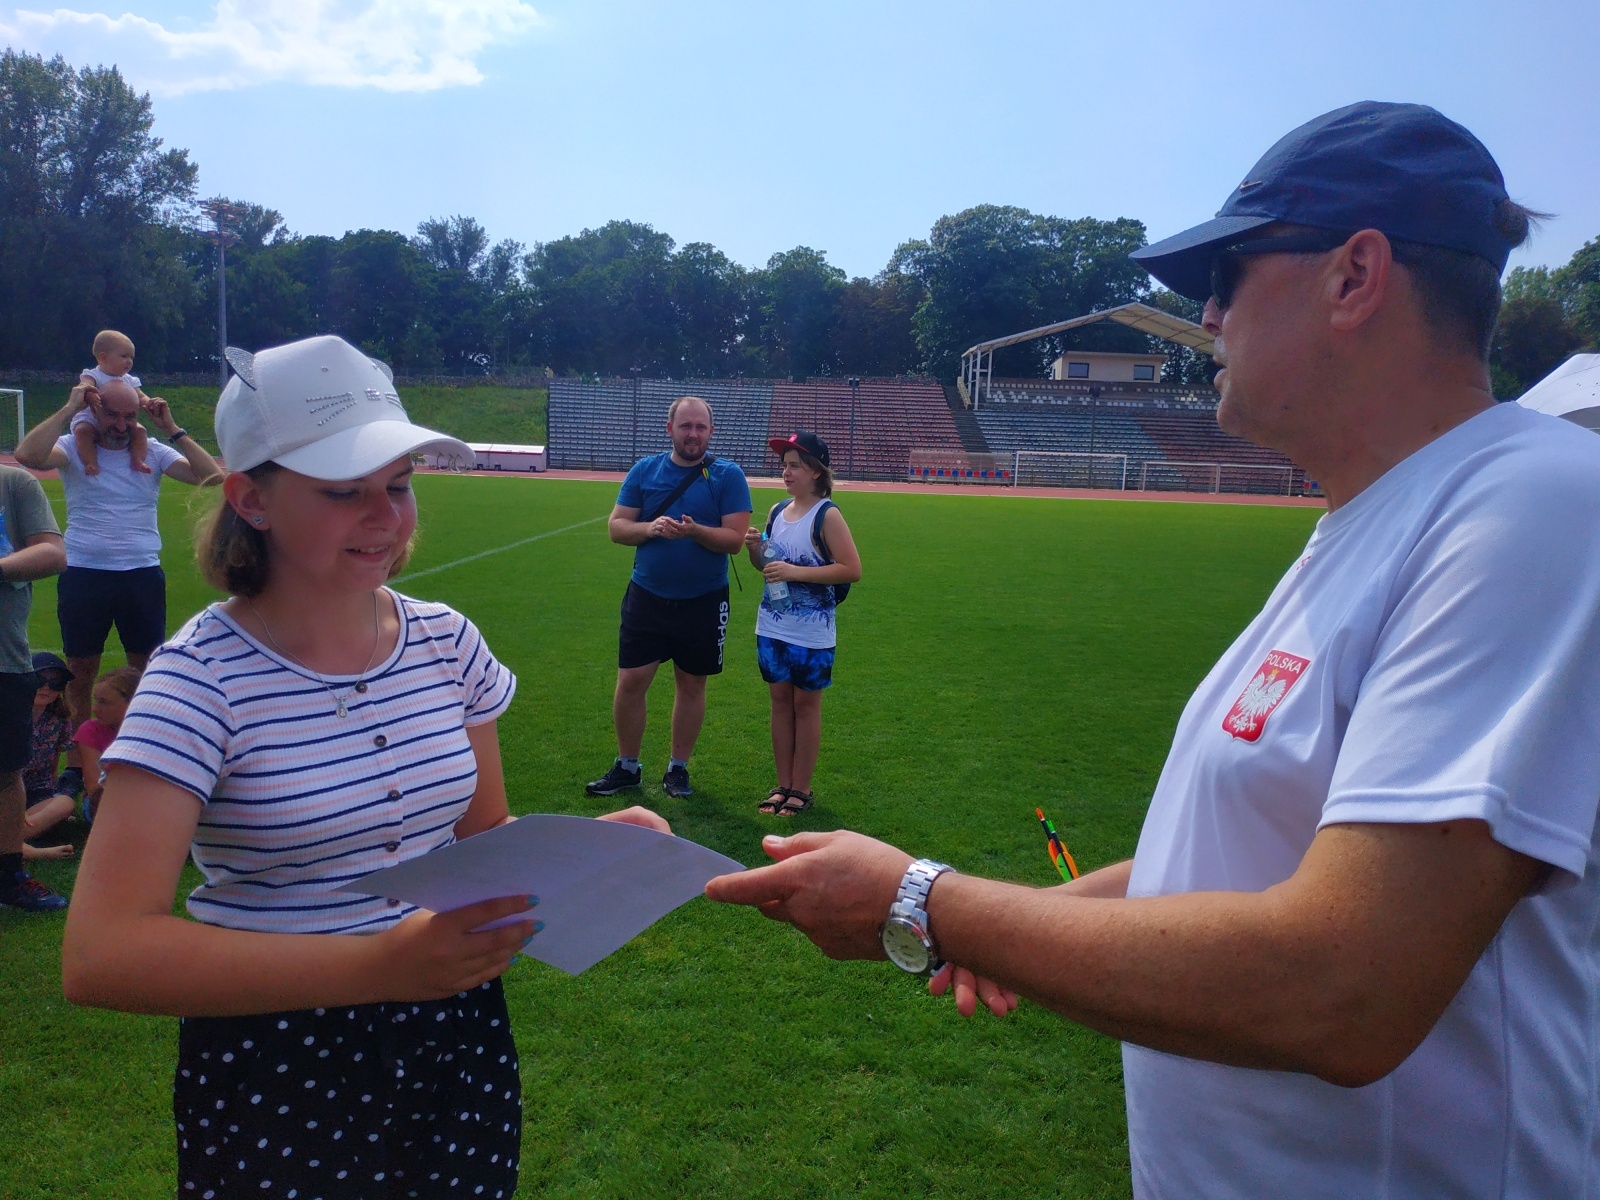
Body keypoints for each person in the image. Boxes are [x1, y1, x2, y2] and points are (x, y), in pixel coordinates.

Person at [706, 101, 1600, 1197]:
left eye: (1224, 273)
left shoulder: (1532, 505)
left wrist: (922, 901)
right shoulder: (1370, 521)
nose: (1210, 312)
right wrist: (992, 921)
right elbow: (1237, 864)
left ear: (1354, 276)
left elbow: (1345, 987)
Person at [61, 334, 668, 1199]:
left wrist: (585, 854)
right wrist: (382, 967)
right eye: (345, 491)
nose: (387, 517)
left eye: (400, 484)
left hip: (455, 1036)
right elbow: (100, 955)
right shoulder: (196, 680)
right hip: (277, 1061)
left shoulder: (445, 640)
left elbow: (482, 838)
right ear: (250, 499)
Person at [14, 373, 221, 747]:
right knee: (80, 670)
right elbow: (27, 455)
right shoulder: (73, 449)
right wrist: (69, 408)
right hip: (83, 572)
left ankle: (141, 746)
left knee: (144, 668)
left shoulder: (154, 452)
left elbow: (212, 478)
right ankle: (79, 757)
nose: (121, 426)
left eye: (129, 417)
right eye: (112, 415)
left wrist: (172, 427)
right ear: (94, 408)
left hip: (141, 573)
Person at [586, 395, 752, 800]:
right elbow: (616, 528)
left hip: (704, 599)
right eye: (685, 426)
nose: (693, 434)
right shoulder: (645, 470)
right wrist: (651, 529)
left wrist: (695, 531)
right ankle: (627, 765)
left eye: (700, 427)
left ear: (710, 432)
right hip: (648, 595)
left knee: (692, 682)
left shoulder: (728, 475)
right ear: (670, 429)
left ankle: (678, 769)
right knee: (631, 681)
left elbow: (733, 541)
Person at [741, 433, 861, 816]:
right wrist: (755, 550)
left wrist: (796, 571)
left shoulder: (828, 514)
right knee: (779, 705)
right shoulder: (777, 511)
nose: (786, 471)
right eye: (784, 464)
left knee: (806, 707)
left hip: (812, 631)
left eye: (794, 465)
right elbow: (767, 568)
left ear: (815, 471)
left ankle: (802, 789)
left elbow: (851, 569)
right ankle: (782, 784)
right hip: (772, 626)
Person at [0, 465, 68, 907]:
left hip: (5, 659)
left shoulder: (12, 483)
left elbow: (52, 554)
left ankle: (8, 876)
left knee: (6, 773)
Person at [21, 651, 78, 860]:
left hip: (35, 794)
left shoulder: (59, 719)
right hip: (6, 791)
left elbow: (53, 764)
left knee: (65, 803)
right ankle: (28, 850)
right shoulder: (10, 715)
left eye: (56, 682)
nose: (46, 687)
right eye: (40, 679)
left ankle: (13, 841)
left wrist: (51, 801)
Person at [75, 329, 152, 476]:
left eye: (131, 357)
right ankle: (90, 461)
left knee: (141, 431)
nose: (129, 361)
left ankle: (137, 459)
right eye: (124, 356)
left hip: (119, 419)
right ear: (103, 357)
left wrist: (150, 403)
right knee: (82, 431)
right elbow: (84, 388)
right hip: (90, 417)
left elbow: (140, 396)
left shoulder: (128, 379)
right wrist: (90, 394)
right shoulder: (93, 375)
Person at [71, 664, 140, 825]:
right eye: (96, 700)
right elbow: (95, 790)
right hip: (104, 803)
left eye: (104, 702)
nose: (95, 709)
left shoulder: (154, 729)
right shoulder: (90, 730)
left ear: (133, 702)